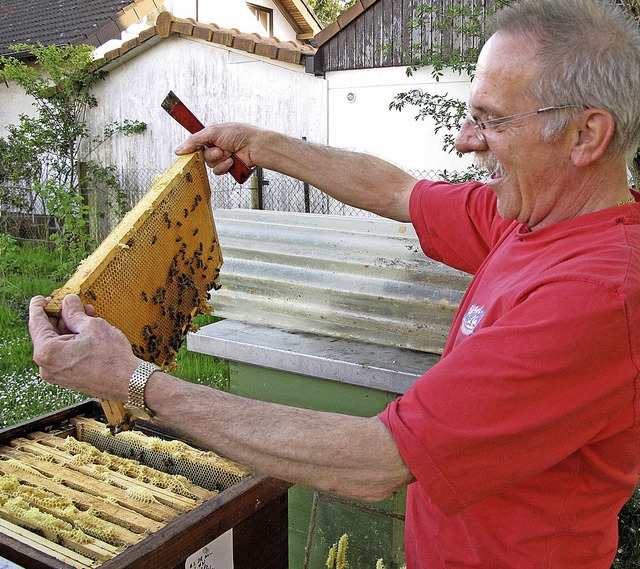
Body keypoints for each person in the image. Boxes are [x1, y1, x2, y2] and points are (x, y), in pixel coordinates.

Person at [28, 0, 640, 567]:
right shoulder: (533, 218)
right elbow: (400, 191)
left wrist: (132, 380)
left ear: (587, 135)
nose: (465, 140)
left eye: (492, 121)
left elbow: (377, 461)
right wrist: (260, 144)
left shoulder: (597, 296)